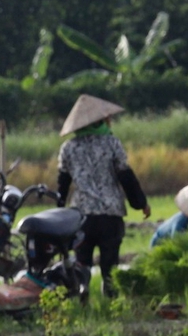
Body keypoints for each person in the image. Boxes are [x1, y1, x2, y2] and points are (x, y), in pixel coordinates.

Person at [56, 94, 150, 298]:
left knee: (82, 263)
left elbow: (62, 183)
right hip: (110, 214)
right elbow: (126, 175)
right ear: (100, 121)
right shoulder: (111, 143)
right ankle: (111, 302)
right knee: (110, 265)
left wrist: (59, 208)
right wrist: (140, 203)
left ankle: (83, 295)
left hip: (82, 216)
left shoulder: (68, 148)